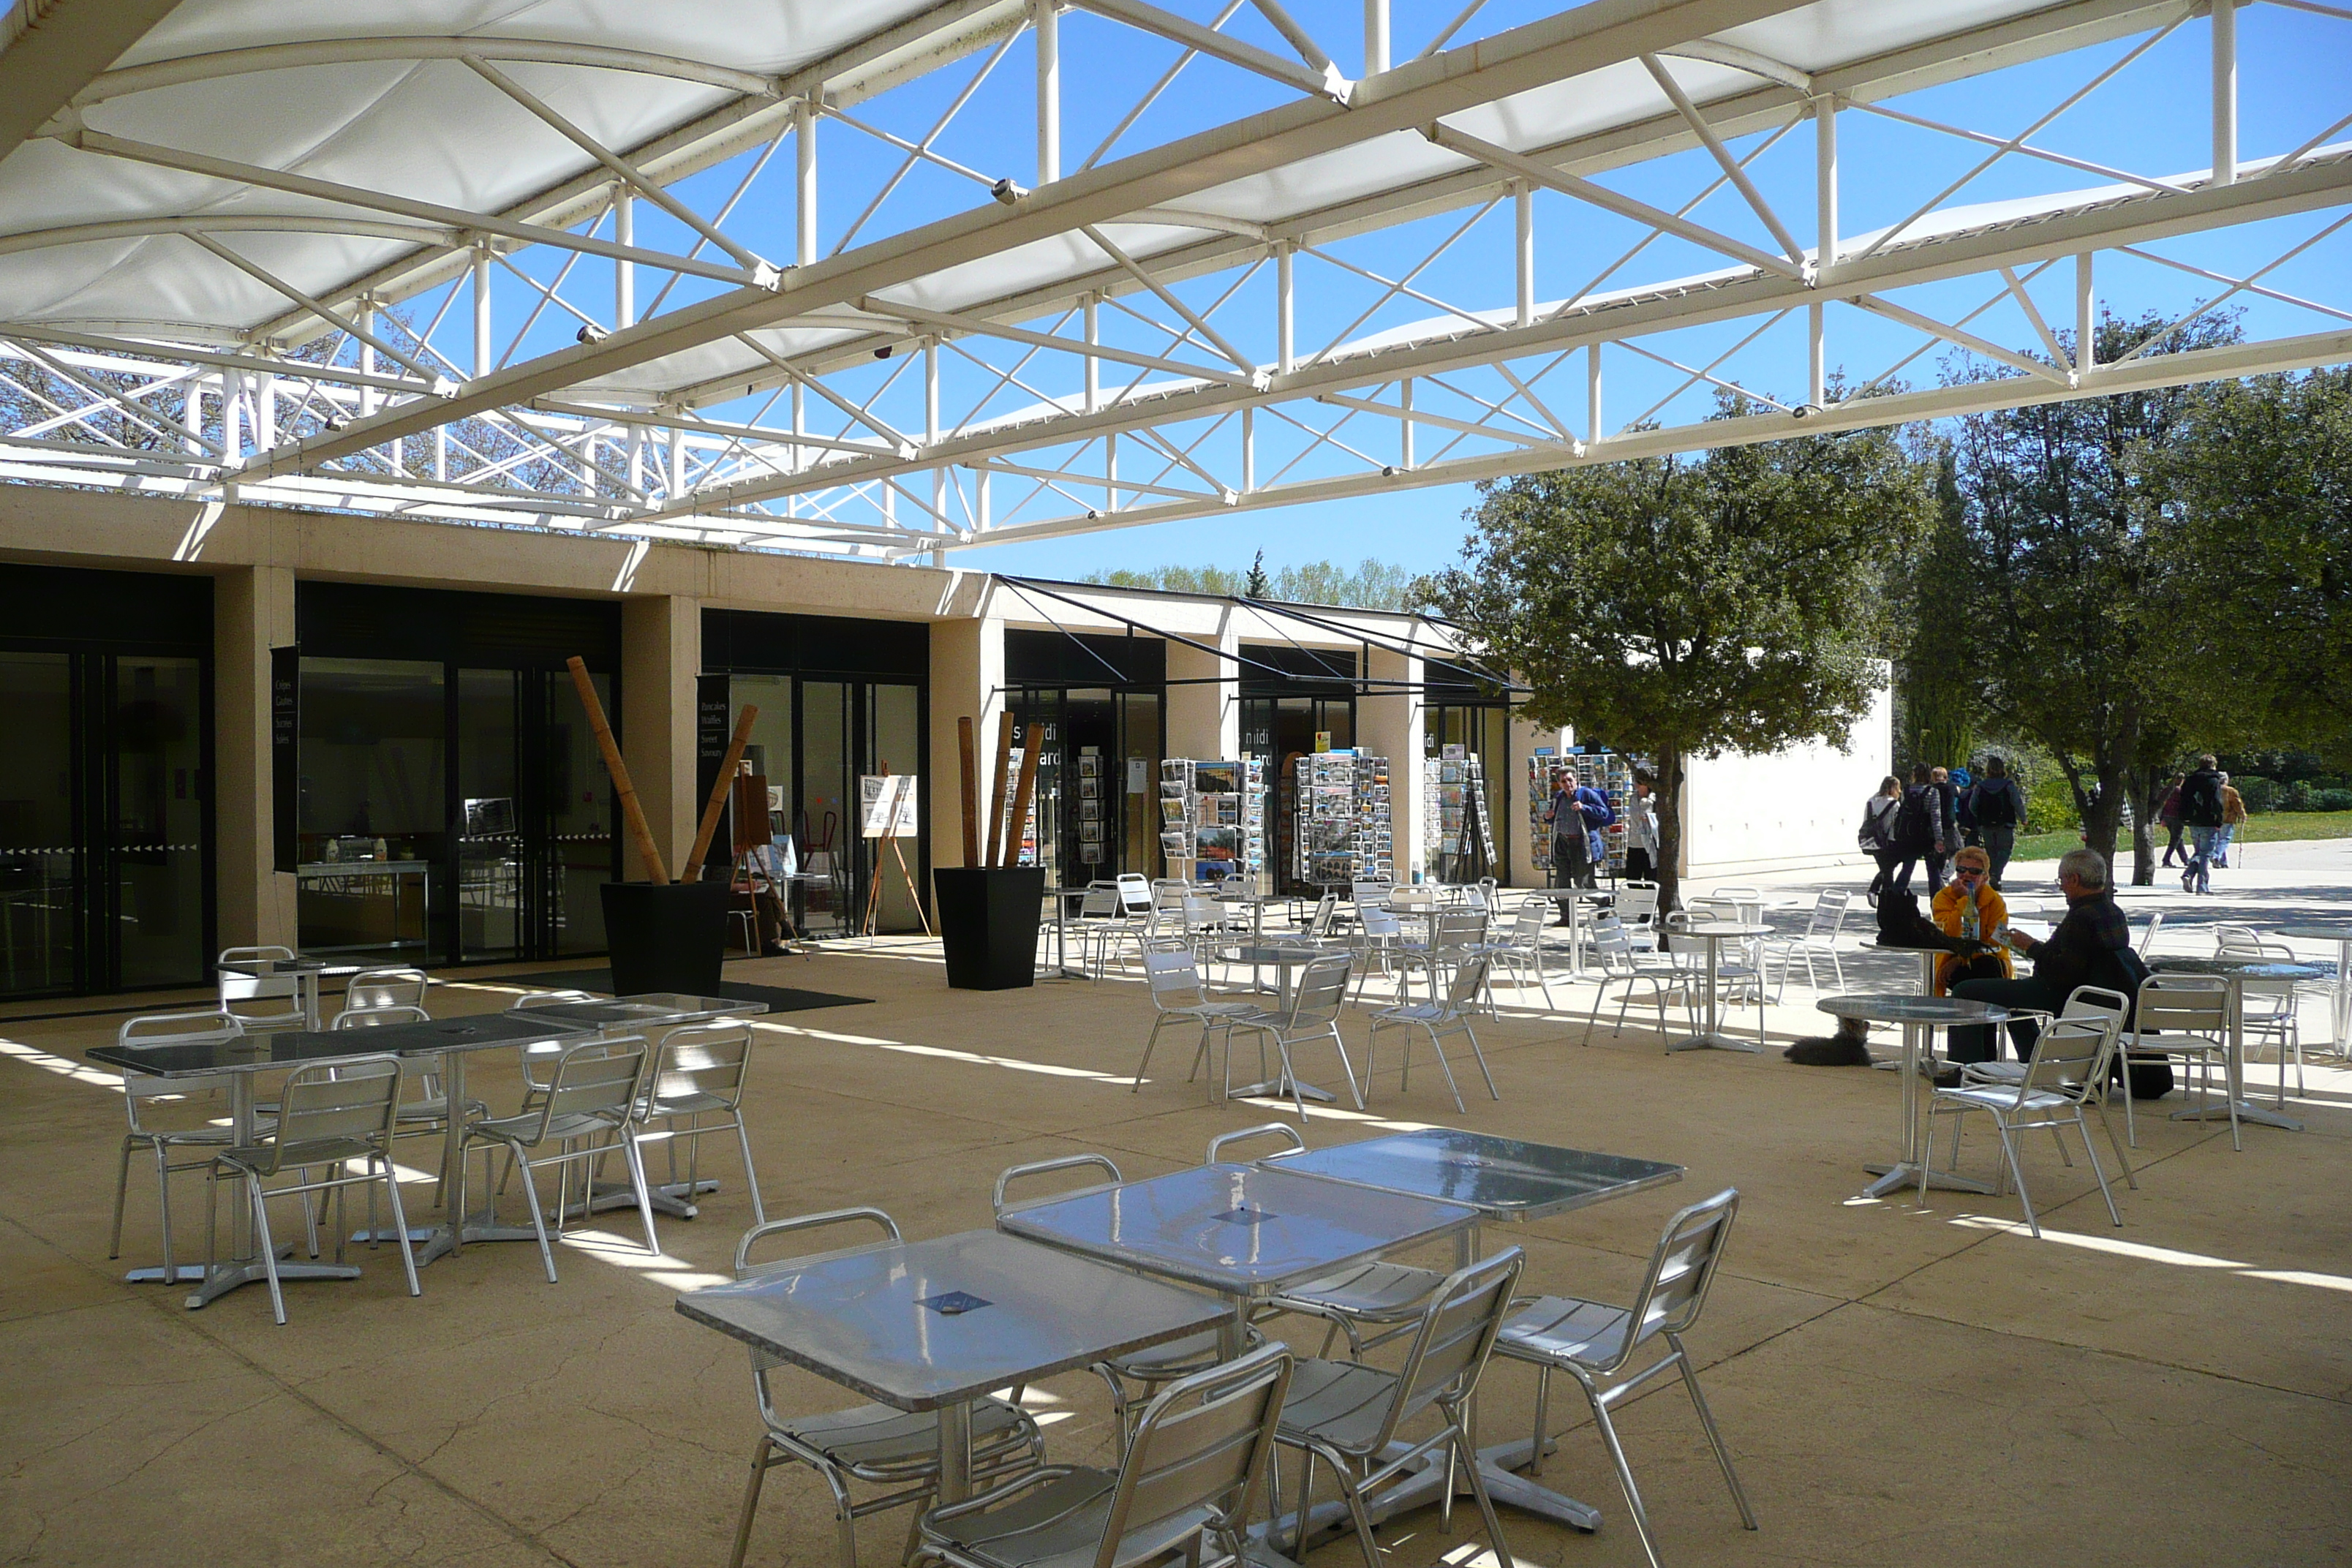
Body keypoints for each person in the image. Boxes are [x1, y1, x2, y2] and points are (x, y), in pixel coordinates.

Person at [1950, 848, 2136, 1064]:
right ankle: (2033, 1060)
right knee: (2013, 1001)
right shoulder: (2112, 911)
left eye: (2062, 881)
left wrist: (2031, 947)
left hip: (2066, 993)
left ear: (2074, 880)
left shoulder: (2082, 917)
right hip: (2092, 992)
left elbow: (2064, 971)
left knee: (1965, 991)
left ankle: (1965, 1067)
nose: (2062, 888)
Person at [1931, 845, 2011, 1002]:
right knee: (1979, 979)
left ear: (1985, 877)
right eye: (1961, 870)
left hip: (1990, 960)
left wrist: (1961, 958)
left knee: (1986, 968)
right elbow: (1949, 934)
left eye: (1974, 872)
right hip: (1949, 961)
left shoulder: (1995, 902)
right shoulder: (1943, 898)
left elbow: (1995, 943)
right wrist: (1966, 900)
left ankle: (1972, 1023)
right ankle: (1983, 1023)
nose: (1966, 875)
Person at [1966, 756, 2029, 890]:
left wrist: (1980, 817)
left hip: (1986, 823)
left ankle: (1994, 875)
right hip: (2005, 823)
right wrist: (2023, 817)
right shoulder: (2008, 785)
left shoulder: (1981, 786)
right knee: (2005, 850)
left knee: (1991, 851)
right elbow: (2017, 802)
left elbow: (1972, 806)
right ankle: (1996, 874)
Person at [2178, 754, 2226, 894]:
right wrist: (2219, 820)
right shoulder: (2213, 781)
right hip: (2209, 820)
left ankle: (2189, 874)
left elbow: (2184, 799)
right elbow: (2216, 801)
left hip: (2193, 820)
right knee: (2206, 854)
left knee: (2199, 851)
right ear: (2213, 765)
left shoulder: (2190, 779)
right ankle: (2202, 886)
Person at [1891, 765, 1940, 897]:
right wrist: (1939, 838)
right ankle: (1936, 903)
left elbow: (1902, 813)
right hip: (1927, 835)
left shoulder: (1907, 791)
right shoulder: (1932, 792)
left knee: (1907, 868)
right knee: (1933, 872)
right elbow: (1936, 817)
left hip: (1909, 834)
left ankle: (1896, 897)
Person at [1544, 776, 1599, 891]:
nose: (1567, 784)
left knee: (1583, 883)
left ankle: (1605, 904)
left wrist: (1584, 807)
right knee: (1561, 884)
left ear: (1576, 780)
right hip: (1562, 842)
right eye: (1563, 781)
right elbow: (1554, 818)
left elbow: (1604, 813)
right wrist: (1548, 817)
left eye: (1570, 780)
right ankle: (1565, 909)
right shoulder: (1558, 797)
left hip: (1581, 843)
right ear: (1559, 783)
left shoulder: (1587, 794)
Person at [1859, 776, 1905, 905]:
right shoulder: (1894, 804)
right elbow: (1894, 825)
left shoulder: (1871, 801)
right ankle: (1883, 897)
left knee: (1886, 869)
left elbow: (1866, 821)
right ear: (1894, 789)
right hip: (1887, 842)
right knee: (1888, 870)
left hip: (1872, 841)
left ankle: (1878, 893)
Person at [1926, 766, 1961, 890]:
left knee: (1939, 854)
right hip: (1949, 824)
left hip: (1933, 825)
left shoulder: (1930, 790)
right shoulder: (1951, 787)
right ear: (1946, 777)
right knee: (1959, 850)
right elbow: (1959, 794)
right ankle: (1945, 875)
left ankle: (1938, 877)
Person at [1624, 774, 1660, 883]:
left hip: (1649, 844)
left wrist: (1650, 819)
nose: (1636, 784)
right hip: (1634, 843)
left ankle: (1650, 899)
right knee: (1632, 878)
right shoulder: (1633, 798)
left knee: (1651, 878)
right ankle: (1636, 899)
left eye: (1639, 781)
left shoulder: (1655, 799)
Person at [2217, 771, 2247, 868]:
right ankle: (2216, 856)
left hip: (2214, 819)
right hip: (2227, 818)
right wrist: (2243, 815)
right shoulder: (2231, 791)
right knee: (2225, 839)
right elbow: (2237, 805)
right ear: (2226, 780)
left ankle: (2223, 862)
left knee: (2219, 841)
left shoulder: (2213, 789)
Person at [2157, 775, 2187, 867]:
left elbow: (2161, 802)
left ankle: (2185, 859)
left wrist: (2161, 818)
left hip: (2167, 816)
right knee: (2175, 839)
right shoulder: (2181, 791)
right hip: (2177, 816)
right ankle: (2166, 859)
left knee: (2178, 838)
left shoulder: (2167, 790)